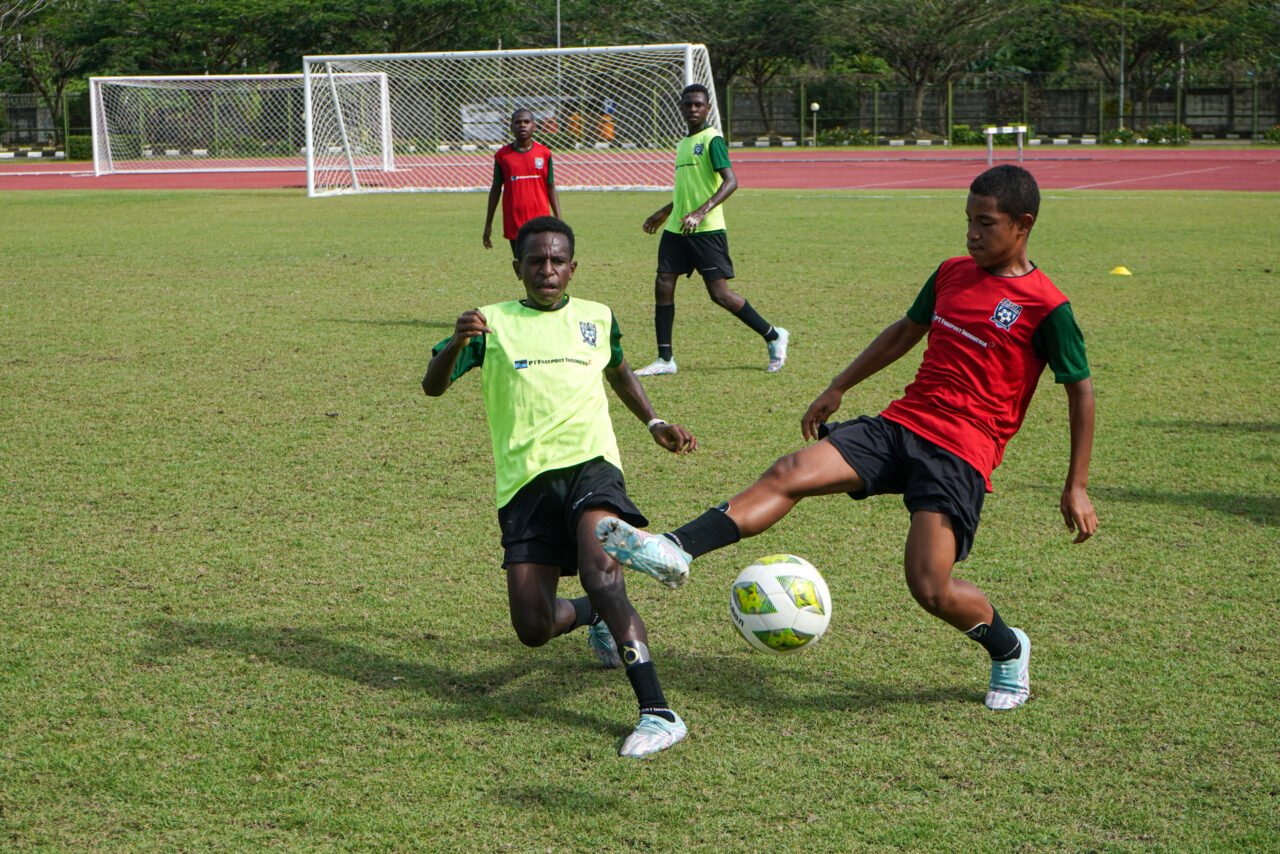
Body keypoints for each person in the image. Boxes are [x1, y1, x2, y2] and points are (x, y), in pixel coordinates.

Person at [598, 165, 1098, 711]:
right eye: (968, 222)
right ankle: (675, 549)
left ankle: (1007, 647)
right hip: (902, 424)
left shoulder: (1047, 306)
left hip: (962, 451)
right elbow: (906, 332)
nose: (971, 235)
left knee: (929, 586)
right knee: (790, 472)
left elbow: (1080, 393)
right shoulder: (952, 272)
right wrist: (839, 385)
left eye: (986, 224)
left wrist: (1076, 486)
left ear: (1022, 225)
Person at [424, 216, 698, 758]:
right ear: (518, 267)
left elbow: (618, 370)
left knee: (602, 572)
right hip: (524, 484)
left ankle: (658, 712)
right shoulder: (489, 323)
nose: (546, 270)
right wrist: (456, 343)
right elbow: (432, 386)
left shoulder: (597, 318)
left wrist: (653, 422)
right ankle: (591, 615)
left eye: (557, 261)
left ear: (573, 267)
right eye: (535, 261)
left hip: (590, 465)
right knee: (533, 626)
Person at [634, 83, 788, 377]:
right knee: (663, 282)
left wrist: (702, 211)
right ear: (681, 108)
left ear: (706, 108)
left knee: (720, 295)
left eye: (698, 105)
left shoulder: (712, 140)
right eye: (688, 104)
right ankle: (665, 359)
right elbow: (688, 190)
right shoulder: (682, 144)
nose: (693, 109)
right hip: (677, 228)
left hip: (707, 230)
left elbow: (731, 182)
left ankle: (773, 335)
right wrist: (664, 211)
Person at [483, 109, 561, 258]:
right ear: (511, 127)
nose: (522, 125)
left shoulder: (544, 154)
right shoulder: (502, 156)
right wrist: (488, 224)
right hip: (514, 222)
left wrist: (558, 218)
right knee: (523, 266)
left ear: (534, 126)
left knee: (543, 262)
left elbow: (551, 186)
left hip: (541, 222)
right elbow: (495, 189)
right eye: (518, 122)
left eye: (526, 122)